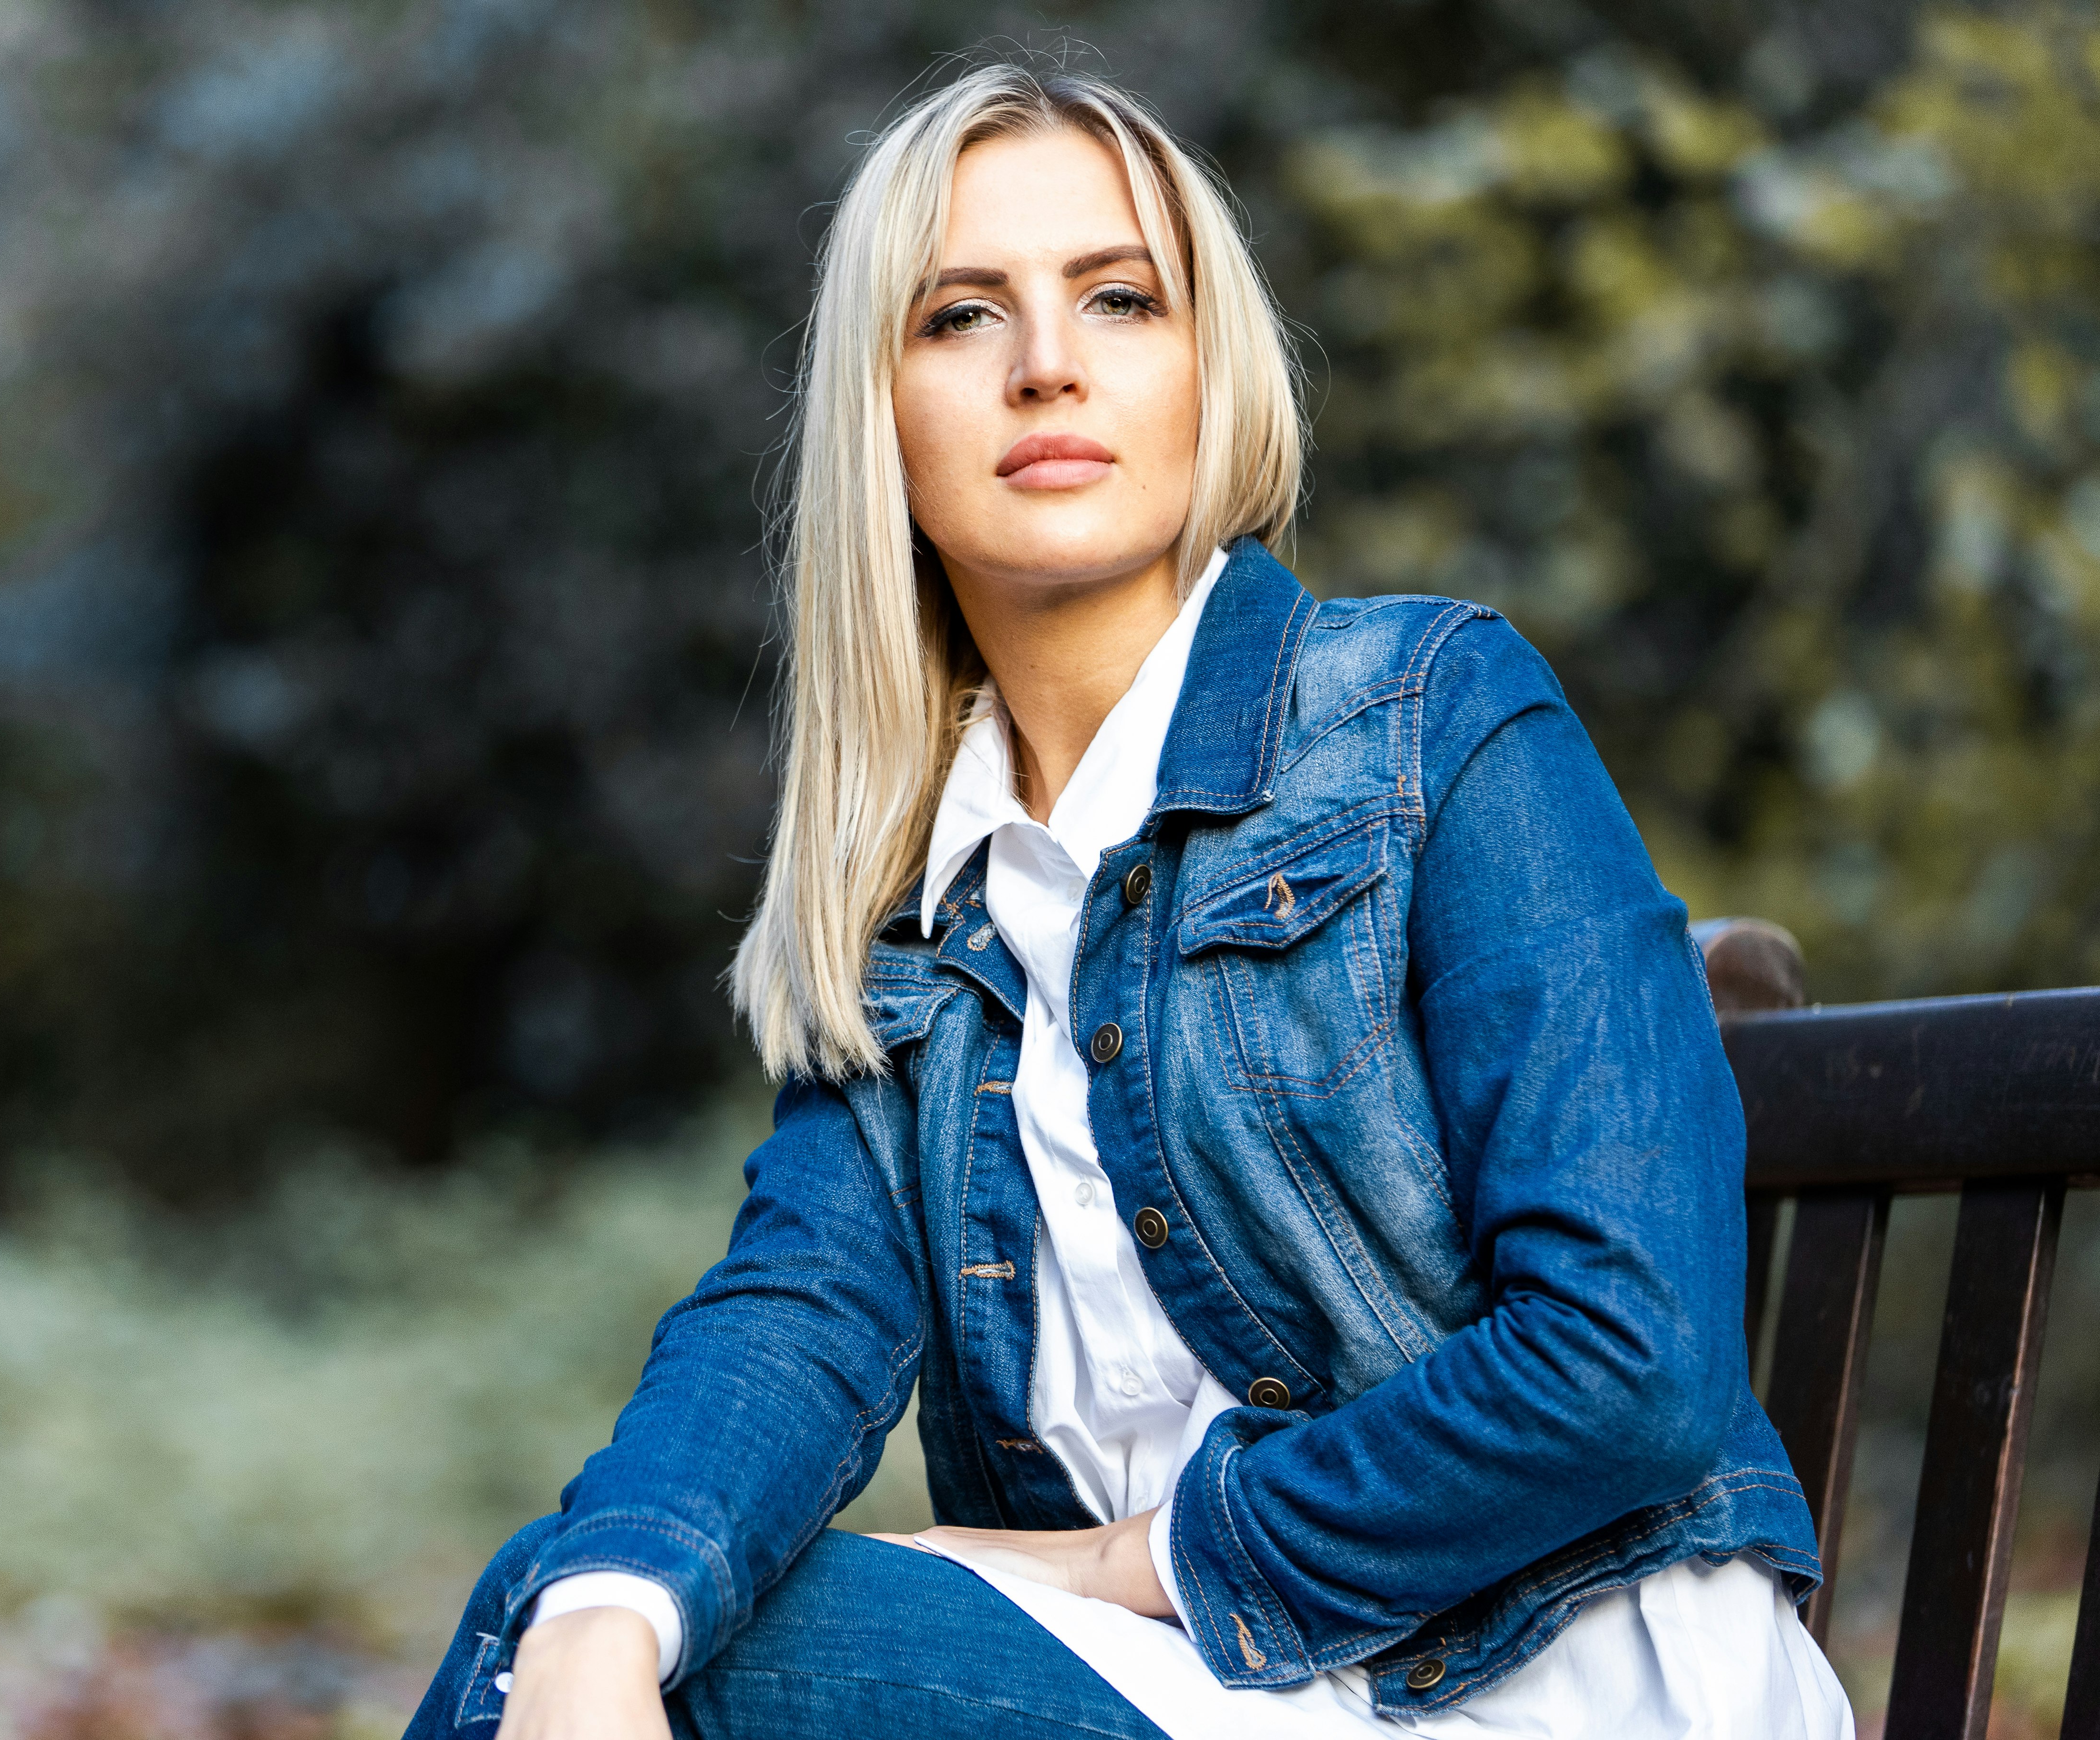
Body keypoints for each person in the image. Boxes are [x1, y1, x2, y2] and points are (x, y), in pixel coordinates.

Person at [407, 59, 1850, 1740]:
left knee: (655, 1642)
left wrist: (1127, 1564)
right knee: (585, 1604)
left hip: (1541, 1683)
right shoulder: (919, 921)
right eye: (960, 315)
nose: (1046, 367)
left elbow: (1633, 1361)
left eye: (1118, 298)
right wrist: (603, 1616)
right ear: (881, 406)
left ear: (1204, 367)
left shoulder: (1438, 721)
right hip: (1190, 1697)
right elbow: (794, 1318)